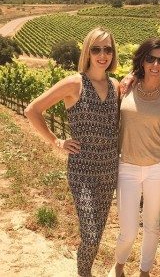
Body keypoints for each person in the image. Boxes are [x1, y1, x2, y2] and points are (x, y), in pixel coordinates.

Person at [25, 27, 120, 277]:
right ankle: (84, 273)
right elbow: (32, 110)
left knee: (97, 232)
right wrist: (55, 141)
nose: (102, 54)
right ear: (88, 52)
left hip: (110, 169)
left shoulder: (116, 85)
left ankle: (85, 270)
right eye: (96, 49)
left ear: (113, 52)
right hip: (82, 171)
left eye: (107, 49)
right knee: (89, 233)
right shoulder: (74, 83)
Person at [108, 38, 160, 277]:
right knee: (128, 230)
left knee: (151, 226)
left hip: (157, 168)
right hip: (126, 166)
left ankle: (145, 270)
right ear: (142, 60)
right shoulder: (125, 87)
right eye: (150, 58)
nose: (156, 64)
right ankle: (119, 264)